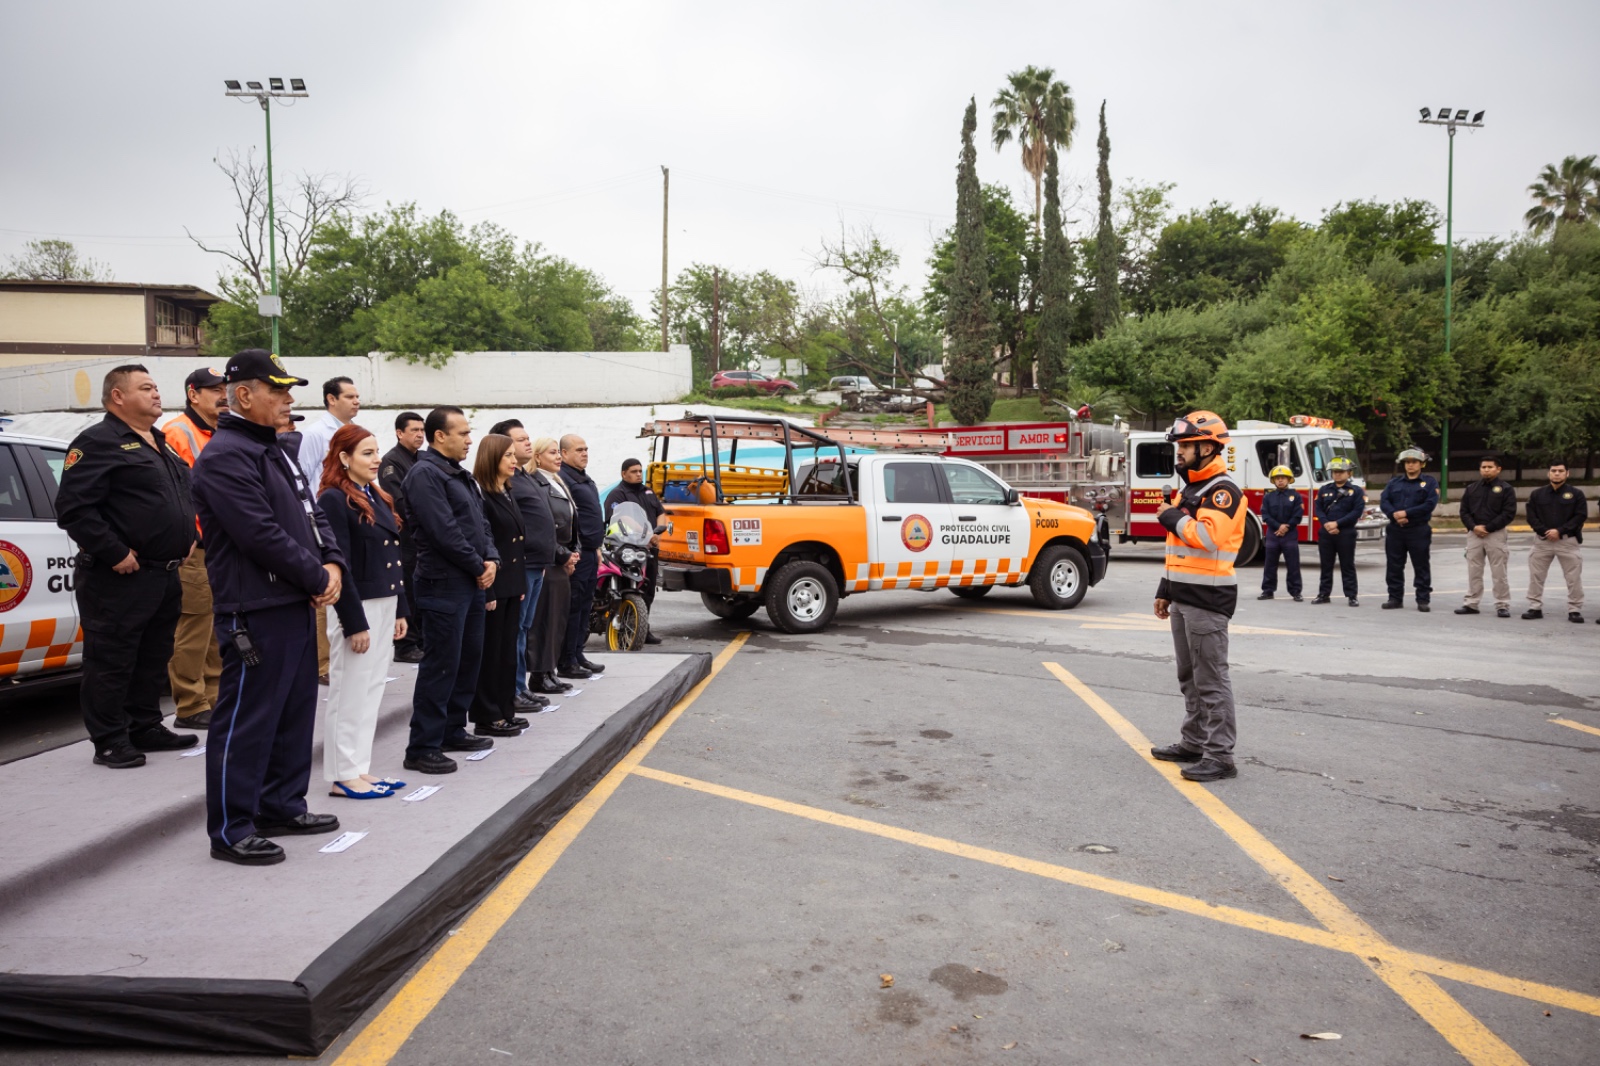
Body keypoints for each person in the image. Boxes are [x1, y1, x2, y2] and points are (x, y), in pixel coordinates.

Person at [191, 349, 346, 865]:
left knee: (294, 712)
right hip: (255, 605)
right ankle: (232, 828)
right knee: (248, 720)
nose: (288, 399)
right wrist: (316, 574)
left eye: (287, 391)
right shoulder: (226, 455)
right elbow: (259, 533)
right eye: (277, 391)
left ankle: (280, 804)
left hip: (292, 598)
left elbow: (311, 514)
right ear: (243, 395)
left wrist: (333, 563)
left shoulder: (273, 448)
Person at [56, 365, 199, 768]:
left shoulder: (160, 441)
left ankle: (145, 726)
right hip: (119, 576)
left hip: (165, 572)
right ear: (118, 397)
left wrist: (191, 538)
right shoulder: (96, 442)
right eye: (146, 388)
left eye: (156, 386)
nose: (157, 394)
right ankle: (109, 739)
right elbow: (73, 509)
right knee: (112, 659)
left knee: (153, 656)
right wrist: (114, 551)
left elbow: (181, 497)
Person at [1148, 411, 1245, 784]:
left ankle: (1220, 756)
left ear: (1207, 447)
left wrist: (1171, 515)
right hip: (1184, 596)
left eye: (1185, 446)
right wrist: (1164, 589)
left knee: (1212, 679)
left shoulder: (1222, 491)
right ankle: (1194, 742)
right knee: (1189, 676)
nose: (1179, 452)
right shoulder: (1191, 489)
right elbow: (1180, 551)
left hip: (1208, 600)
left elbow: (1206, 538)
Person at [403, 406, 499, 774]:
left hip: (471, 580)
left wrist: (490, 559)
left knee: (466, 659)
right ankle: (422, 746)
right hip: (443, 583)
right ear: (439, 436)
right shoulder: (425, 475)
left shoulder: (458, 474)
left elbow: (481, 524)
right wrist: (479, 566)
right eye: (462, 433)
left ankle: (452, 729)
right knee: (440, 665)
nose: (469, 440)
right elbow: (443, 532)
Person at [318, 424, 411, 799]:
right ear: (344, 458)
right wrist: (353, 622)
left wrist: (400, 609)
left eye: (376, 452)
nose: (376, 460)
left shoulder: (373, 493)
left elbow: (393, 556)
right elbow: (340, 564)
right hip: (357, 607)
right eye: (367, 454)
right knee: (349, 692)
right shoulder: (332, 499)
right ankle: (343, 775)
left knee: (371, 690)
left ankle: (360, 768)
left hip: (384, 603)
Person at [163, 366, 229, 729]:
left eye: (224, 388)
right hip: (196, 548)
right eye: (213, 389)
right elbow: (179, 495)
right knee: (194, 628)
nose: (222, 394)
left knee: (217, 629)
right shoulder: (177, 432)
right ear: (193, 394)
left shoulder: (219, 431)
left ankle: (214, 699)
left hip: (219, 546)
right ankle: (189, 705)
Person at [298, 376, 361, 683]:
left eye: (357, 396)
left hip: (351, 518)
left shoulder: (354, 434)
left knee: (349, 588)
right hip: (323, 521)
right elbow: (302, 479)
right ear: (331, 399)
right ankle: (324, 664)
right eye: (349, 396)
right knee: (328, 590)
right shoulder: (314, 434)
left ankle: (343, 654)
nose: (356, 401)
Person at [468, 434, 529, 737]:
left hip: (511, 584)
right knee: (491, 654)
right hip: (494, 586)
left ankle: (505, 710)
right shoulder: (482, 496)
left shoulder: (506, 492)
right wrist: (489, 590)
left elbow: (515, 544)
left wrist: (518, 584)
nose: (514, 460)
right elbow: (484, 544)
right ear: (492, 458)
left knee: (506, 653)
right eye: (507, 455)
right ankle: (487, 715)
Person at [490, 419, 552, 710]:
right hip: (521, 565)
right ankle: (513, 690)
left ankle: (520, 686)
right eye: (520, 439)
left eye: (528, 438)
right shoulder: (507, 481)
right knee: (515, 629)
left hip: (536, 563)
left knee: (524, 627)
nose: (528, 443)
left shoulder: (525, 477)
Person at [528, 437, 580, 695]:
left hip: (562, 557)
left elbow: (572, 521)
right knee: (544, 619)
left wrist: (574, 552)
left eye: (559, 453)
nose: (558, 457)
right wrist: (562, 555)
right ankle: (539, 674)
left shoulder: (557, 481)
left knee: (557, 617)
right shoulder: (536, 483)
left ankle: (550, 671)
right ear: (537, 457)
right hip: (550, 559)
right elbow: (542, 527)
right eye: (552, 453)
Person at [558, 434, 607, 678]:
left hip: (590, 551)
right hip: (577, 553)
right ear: (564, 453)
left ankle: (578, 654)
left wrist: (596, 547)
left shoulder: (583, 477)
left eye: (586, 449)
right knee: (573, 606)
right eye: (579, 449)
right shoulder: (564, 478)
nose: (584, 453)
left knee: (585, 605)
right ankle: (567, 660)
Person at [603, 457, 666, 643]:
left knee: (647, 589)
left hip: (648, 549)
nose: (638, 474)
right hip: (626, 550)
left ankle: (642, 628)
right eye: (634, 471)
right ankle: (622, 626)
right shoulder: (617, 494)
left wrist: (657, 534)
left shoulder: (648, 492)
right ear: (624, 474)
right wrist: (647, 534)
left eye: (640, 471)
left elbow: (661, 513)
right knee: (626, 588)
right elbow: (621, 517)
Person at [381, 411, 427, 663]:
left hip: (422, 537)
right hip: (407, 538)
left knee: (419, 591)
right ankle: (405, 645)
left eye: (422, 430)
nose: (420, 435)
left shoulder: (422, 458)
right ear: (400, 433)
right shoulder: (392, 462)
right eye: (414, 430)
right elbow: (398, 501)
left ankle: (419, 640)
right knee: (407, 590)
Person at [1522, 461, 1587, 623]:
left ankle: (1575, 609)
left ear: (1567, 473)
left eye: (1560, 471)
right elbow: (1531, 516)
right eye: (1553, 471)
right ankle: (1534, 607)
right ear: (1548, 473)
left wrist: (1560, 530)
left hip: (1567, 541)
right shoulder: (1537, 494)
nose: (1556, 473)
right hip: (1542, 541)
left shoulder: (1576, 494)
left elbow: (1580, 516)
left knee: (1573, 577)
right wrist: (1545, 531)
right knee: (1536, 576)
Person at [1455, 455, 1517, 619]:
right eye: (1484, 467)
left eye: (1490, 467)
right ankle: (1472, 603)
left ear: (1498, 469)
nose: (1486, 470)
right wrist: (1473, 527)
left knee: (1499, 572)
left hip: (1495, 534)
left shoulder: (1506, 489)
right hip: (1474, 534)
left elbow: (1508, 513)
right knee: (1474, 570)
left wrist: (1488, 527)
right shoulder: (1472, 489)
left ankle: (1502, 605)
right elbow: (1464, 511)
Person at [1379, 447, 1439, 612]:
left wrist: (1406, 513)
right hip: (1396, 529)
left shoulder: (1429, 482)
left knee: (1421, 565)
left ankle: (1423, 599)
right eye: (1407, 462)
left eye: (1414, 462)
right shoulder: (1394, 483)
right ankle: (1395, 598)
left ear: (1421, 464)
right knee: (1394, 565)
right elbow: (1384, 501)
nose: (1410, 465)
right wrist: (1394, 515)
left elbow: (1429, 504)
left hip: (1418, 530)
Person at [1312, 457, 1364, 606]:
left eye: (1341, 472)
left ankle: (1351, 596)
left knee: (1347, 565)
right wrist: (1326, 524)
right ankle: (1323, 594)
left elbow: (1356, 512)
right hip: (1326, 533)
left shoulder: (1356, 491)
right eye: (1335, 472)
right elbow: (1319, 509)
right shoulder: (1324, 490)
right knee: (1326, 565)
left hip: (1346, 533)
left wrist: (1337, 524)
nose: (1337, 475)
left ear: (1349, 473)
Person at [1256, 465, 1303, 602]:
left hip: (1290, 535)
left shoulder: (1296, 496)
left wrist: (1286, 527)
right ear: (1273, 481)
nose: (1280, 481)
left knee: (1293, 565)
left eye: (1283, 478)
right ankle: (1267, 591)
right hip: (1273, 534)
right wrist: (1279, 526)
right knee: (1270, 564)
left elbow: (1298, 515)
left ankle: (1296, 592)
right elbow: (1265, 515)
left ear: (1289, 480)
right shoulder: (1268, 497)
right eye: (1277, 478)